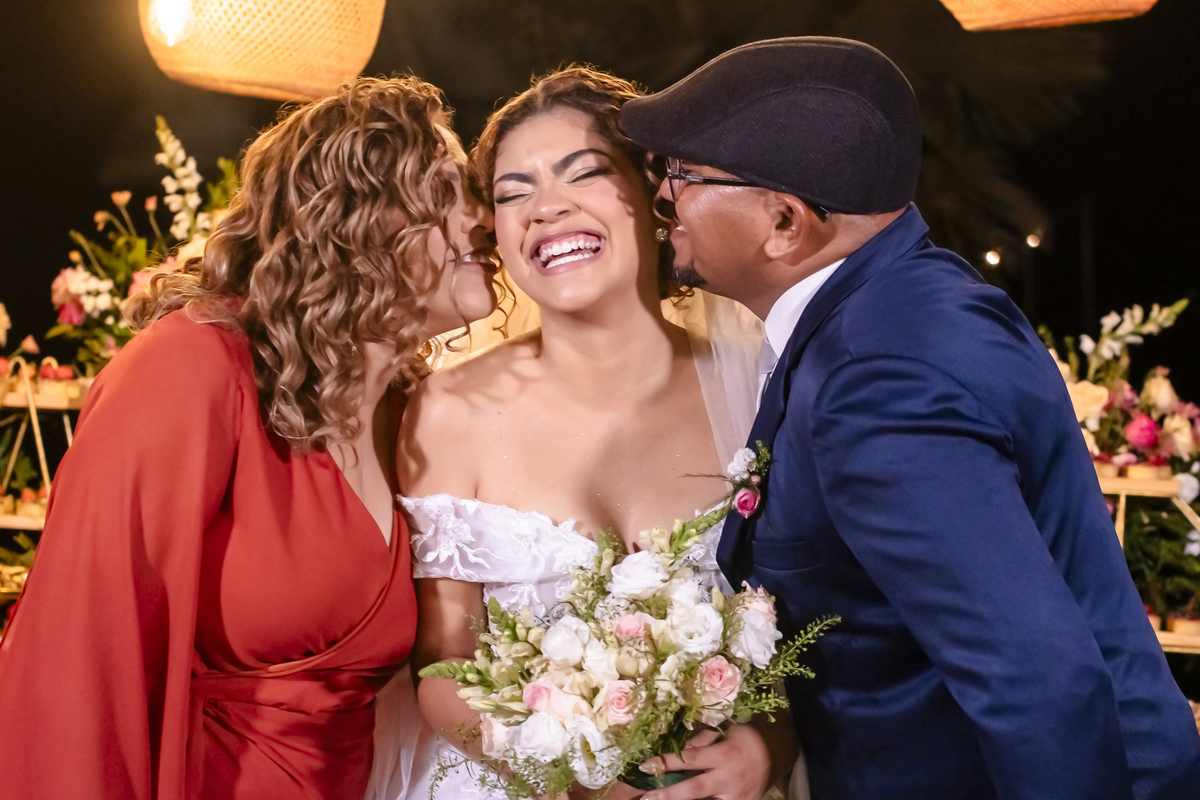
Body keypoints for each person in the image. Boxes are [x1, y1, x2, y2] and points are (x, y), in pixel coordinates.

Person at [618, 36, 1200, 800]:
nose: (662, 197)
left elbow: (1039, 684)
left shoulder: (876, 382)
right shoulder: (909, 299)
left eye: (683, 175)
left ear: (785, 224)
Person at [0, 75, 497, 799]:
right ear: (359, 216)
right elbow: (75, 659)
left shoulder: (413, 415)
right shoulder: (192, 364)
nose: (480, 219)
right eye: (446, 193)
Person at [367, 67, 791, 800]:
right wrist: (574, 778)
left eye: (583, 174)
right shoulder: (446, 412)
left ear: (656, 198)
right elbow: (440, 668)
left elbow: (824, 621)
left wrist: (767, 747)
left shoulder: (759, 387)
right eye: (512, 193)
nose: (545, 209)